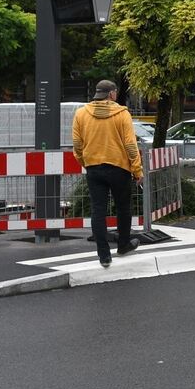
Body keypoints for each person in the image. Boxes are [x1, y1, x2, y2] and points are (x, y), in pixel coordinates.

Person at [72, 79, 144, 267]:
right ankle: (123, 245)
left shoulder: (81, 114)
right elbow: (130, 145)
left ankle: (104, 255)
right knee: (123, 208)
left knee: (98, 210)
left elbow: (77, 145)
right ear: (112, 94)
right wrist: (137, 170)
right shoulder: (122, 114)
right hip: (119, 168)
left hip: (94, 168)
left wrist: (85, 162)